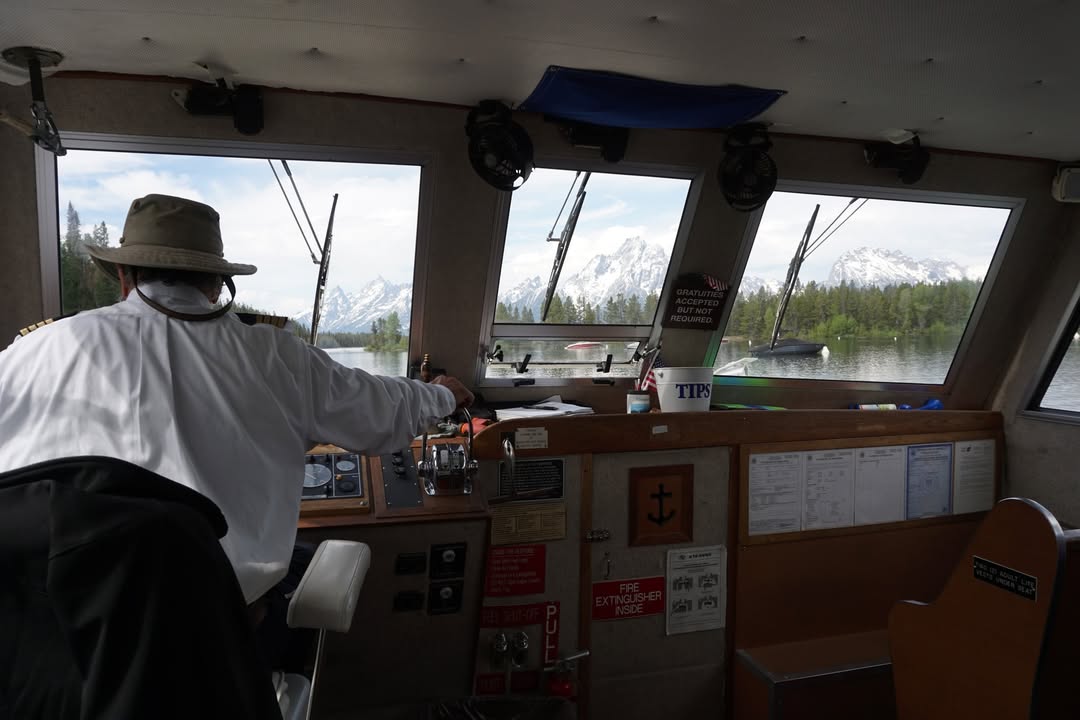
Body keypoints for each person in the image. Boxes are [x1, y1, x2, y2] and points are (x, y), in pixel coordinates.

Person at [0, 193, 473, 666]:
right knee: (296, 568)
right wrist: (445, 394)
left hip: (50, 649)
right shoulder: (276, 356)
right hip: (213, 643)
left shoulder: (31, 353)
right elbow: (382, 411)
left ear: (124, 277)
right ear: (217, 283)